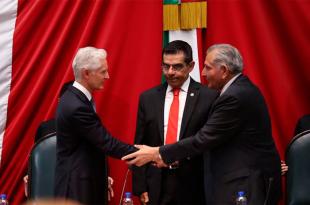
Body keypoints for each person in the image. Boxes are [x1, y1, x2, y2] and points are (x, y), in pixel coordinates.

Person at [123, 44, 282, 205]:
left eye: (207, 68)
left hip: (244, 183)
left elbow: (203, 139)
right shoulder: (240, 89)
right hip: (167, 184)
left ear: (224, 71)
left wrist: (157, 153)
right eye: (166, 66)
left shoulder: (233, 96)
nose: (203, 73)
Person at [132, 40, 218, 205]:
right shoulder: (148, 98)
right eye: (166, 66)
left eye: (177, 66)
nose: (170, 72)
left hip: (194, 184)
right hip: (156, 184)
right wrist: (140, 186)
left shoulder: (209, 97)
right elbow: (140, 143)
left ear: (191, 66)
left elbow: (210, 142)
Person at [54, 47, 136, 205]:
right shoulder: (77, 106)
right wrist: (144, 154)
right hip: (76, 189)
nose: (107, 76)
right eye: (103, 71)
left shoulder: (74, 98)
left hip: (81, 184)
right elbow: (106, 142)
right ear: (86, 73)